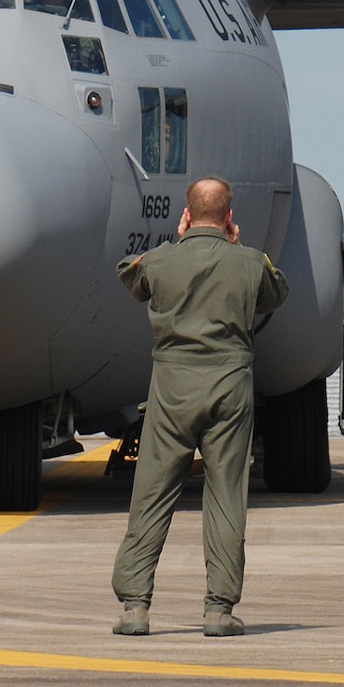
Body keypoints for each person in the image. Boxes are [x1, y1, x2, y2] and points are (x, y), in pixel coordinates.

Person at [110, 177, 288, 638]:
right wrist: (237, 248)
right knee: (226, 495)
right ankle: (218, 609)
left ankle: (135, 605)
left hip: (172, 389)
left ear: (186, 214)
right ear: (229, 218)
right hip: (229, 388)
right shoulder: (250, 263)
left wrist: (178, 242)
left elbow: (131, 277)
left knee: (152, 492)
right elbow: (274, 295)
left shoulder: (163, 260)